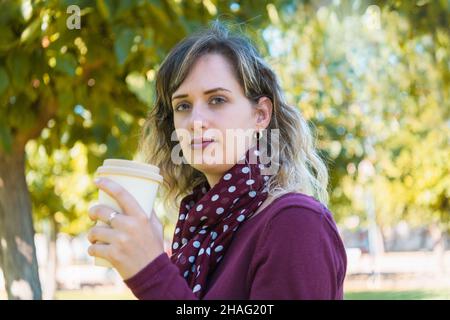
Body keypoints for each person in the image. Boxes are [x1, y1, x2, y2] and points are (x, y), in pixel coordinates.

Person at [87, 21, 347, 300]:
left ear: (261, 114)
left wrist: (151, 272)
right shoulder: (199, 234)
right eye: (183, 106)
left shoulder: (295, 222)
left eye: (217, 100)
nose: (196, 121)